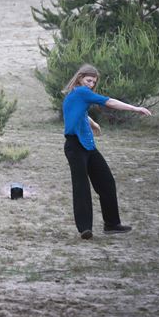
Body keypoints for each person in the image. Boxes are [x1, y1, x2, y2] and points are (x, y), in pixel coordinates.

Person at [62, 64, 152, 240]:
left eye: (93, 82)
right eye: (88, 80)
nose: (90, 84)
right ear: (80, 78)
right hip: (74, 146)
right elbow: (109, 101)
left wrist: (93, 123)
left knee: (107, 182)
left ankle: (111, 224)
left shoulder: (75, 95)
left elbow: (79, 113)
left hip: (87, 146)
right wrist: (135, 108)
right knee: (82, 187)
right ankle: (85, 229)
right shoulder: (80, 92)